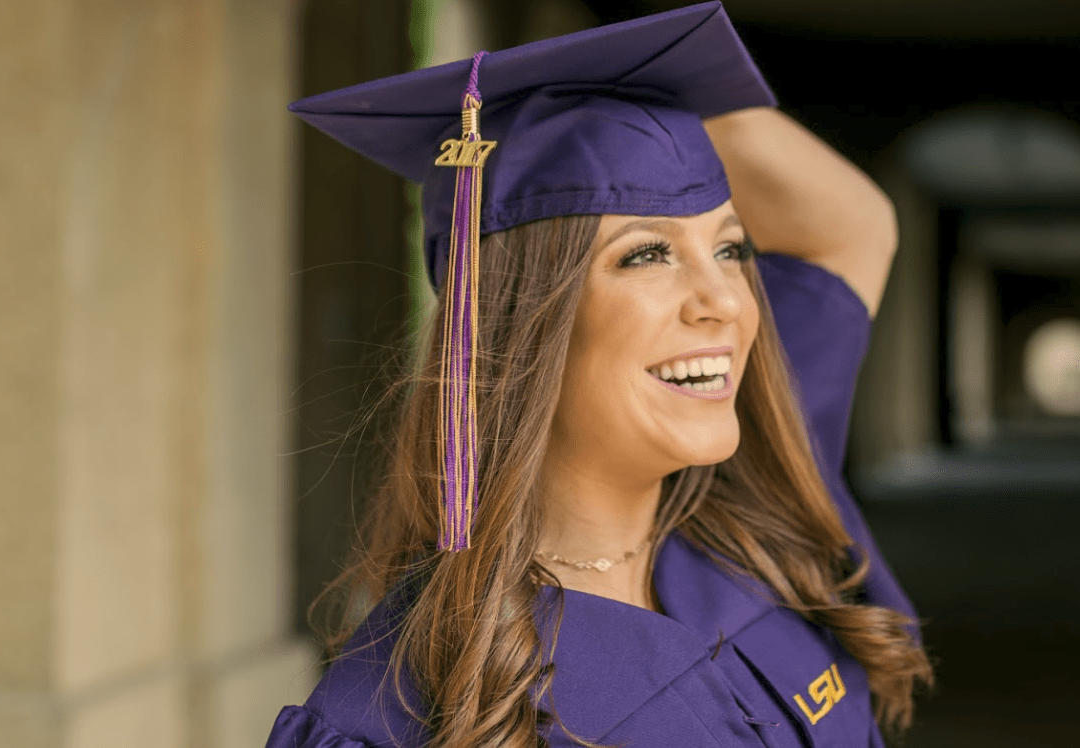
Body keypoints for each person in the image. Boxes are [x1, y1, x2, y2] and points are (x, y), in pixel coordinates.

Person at [268, 3, 933, 747]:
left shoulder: (757, 497)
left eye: (731, 248)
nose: (726, 301)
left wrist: (651, 83)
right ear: (520, 322)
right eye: (646, 254)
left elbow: (853, 228)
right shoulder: (399, 711)